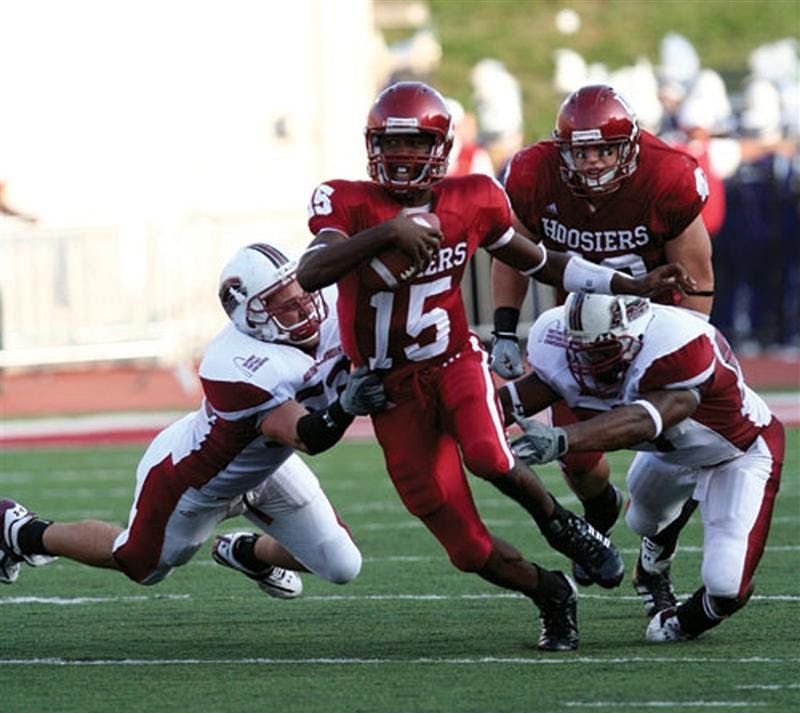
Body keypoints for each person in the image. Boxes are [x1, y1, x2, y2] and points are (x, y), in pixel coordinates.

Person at [298, 81, 696, 650]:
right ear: (372, 145)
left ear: (440, 145)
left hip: (453, 361)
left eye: (417, 141)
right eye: (393, 142)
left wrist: (630, 283)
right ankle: (551, 593)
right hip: (390, 391)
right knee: (464, 548)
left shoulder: (474, 197)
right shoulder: (345, 200)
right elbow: (311, 272)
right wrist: (389, 230)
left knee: (488, 452)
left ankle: (564, 525)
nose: (404, 154)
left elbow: (542, 261)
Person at [0, 243, 384, 598]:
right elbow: (308, 437)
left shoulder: (333, 303)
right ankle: (23, 531)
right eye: (282, 303)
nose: (302, 306)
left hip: (269, 469)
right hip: (193, 481)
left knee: (341, 565)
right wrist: (347, 406)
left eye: (300, 291)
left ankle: (248, 552)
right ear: (251, 317)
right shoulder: (235, 364)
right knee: (141, 565)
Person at [491, 84, 715, 599]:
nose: (591, 163)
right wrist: (504, 327)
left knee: (681, 459)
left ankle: (657, 555)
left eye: (603, 150)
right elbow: (512, 252)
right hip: (582, 333)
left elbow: (697, 281)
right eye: (581, 151)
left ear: (629, 147)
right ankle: (598, 515)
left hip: (658, 327)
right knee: (578, 460)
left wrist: (682, 354)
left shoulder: (668, 175)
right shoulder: (533, 173)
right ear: (561, 149)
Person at [499, 292, 783, 642]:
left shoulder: (679, 344)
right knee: (642, 520)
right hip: (673, 451)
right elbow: (523, 395)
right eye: (581, 352)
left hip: (736, 452)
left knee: (727, 585)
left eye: (602, 352)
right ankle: (652, 567)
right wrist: (464, 418)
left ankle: (681, 622)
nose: (590, 364)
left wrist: (561, 438)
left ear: (634, 336)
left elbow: (646, 420)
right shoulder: (555, 339)